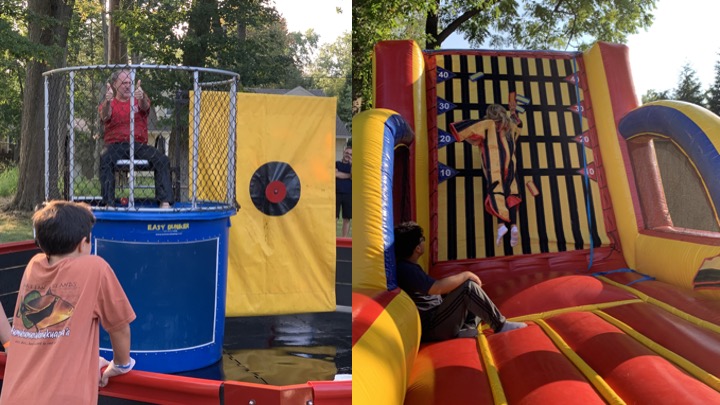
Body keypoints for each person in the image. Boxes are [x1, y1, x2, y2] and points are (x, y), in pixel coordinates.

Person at [0, 201, 136, 404]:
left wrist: (88, 360)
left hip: (14, 396)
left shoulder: (34, 266)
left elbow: (50, 334)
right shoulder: (95, 268)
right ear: (83, 243)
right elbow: (120, 327)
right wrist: (121, 364)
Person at [394, 221, 526, 341]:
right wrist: (466, 275)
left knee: (478, 300)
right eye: (422, 239)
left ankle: (465, 329)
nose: (424, 242)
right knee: (468, 288)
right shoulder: (406, 269)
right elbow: (436, 288)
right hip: (434, 327)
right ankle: (500, 325)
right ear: (417, 248)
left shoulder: (409, 266)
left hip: (438, 318)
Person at [450, 101, 523, 247]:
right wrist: (514, 112)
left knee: (496, 191)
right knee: (511, 192)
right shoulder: (511, 127)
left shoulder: (487, 124)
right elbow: (519, 124)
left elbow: (463, 130)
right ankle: (514, 225)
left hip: (493, 166)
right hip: (511, 165)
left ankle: (501, 225)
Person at [99, 69, 173, 208]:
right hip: (115, 145)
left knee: (162, 160)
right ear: (115, 85)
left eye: (130, 83)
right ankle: (108, 203)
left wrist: (142, 96)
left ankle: (165, 202)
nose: (127, 86)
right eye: (123, 83)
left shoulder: (138, 100)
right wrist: (108, 101)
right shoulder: (110, 103)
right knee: (105, 158)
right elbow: (105, 116)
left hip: (138, 145)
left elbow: (144, 106)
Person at [336, 143, 352, 237]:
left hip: (348, 194)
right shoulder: (337, 163)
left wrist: (352, 164)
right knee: (334, 217)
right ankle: (332, 238)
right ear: (343, 153)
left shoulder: (352, 166)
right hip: (337, 193)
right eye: (347, 153)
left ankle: (344, 238)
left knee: (347, 218)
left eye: (350, 154)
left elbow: (354, 176)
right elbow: (335, 174)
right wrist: (348, 176)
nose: (348, 155)